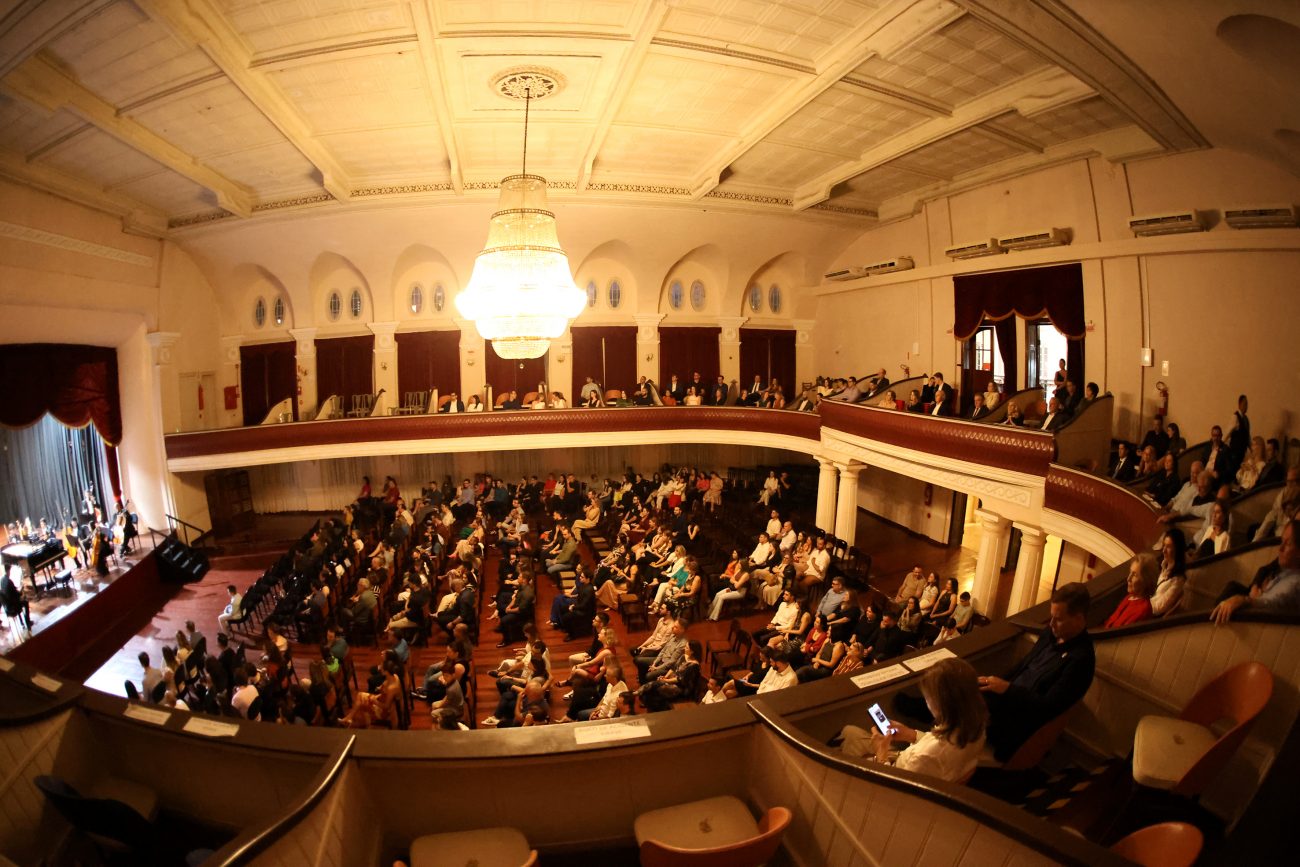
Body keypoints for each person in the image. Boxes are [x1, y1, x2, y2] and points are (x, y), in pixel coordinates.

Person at [974, 582, 1095, 762]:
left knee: (961, 700)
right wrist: (994, 682)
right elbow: (1023, 666)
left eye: (1058, 619)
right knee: (963, 682)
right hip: (1006, 699)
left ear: (1078, 619)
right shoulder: (1050, 634)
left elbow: (1047, 708)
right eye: (1051, 617)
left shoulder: (1081, 660)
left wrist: (1007, 689)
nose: (1051, 624)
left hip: (1017, 721)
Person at [840, 658, 987, 783]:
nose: (926, 702)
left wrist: (881, 752)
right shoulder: (976, 727)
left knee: (849, 733)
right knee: (850, 732)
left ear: (940, 704)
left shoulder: (926, 756)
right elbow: (937, 745)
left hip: (891, 774)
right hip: (912, 764)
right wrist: (911, 734)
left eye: (928, 697)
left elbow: (893, 787)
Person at [1211, 519, 1300, 625]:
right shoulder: (1287, 568)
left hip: (1260, 623)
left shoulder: (1295, 584)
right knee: (1232, 587)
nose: (1280, 548)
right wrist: (1258, 586)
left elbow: (1272, 603)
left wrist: (1244, 600)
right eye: (1282, 541)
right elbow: (1264, 570)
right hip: (1259, 598)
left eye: (1288, 544)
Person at [1104, 554, 1157, 627]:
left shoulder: (1142, 610)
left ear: (1146, 580)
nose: (1128, 579)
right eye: (1130, 572)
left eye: (1135, 575)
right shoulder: (1129, 598)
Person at [1150, 528, 1188, 617]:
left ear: (1177, 549)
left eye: (1168, 546)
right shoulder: (1164, 565)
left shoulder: (1178, 579)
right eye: (1164, 546)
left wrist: (1143, 604)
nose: (1163, 550)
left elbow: (1159, 608)